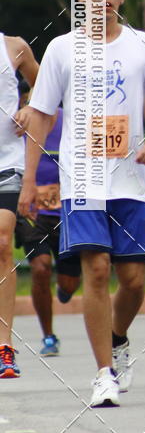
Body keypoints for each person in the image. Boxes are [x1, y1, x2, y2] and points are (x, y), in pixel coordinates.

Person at [19, 0, 145, 406]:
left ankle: (118, 338)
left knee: (133, 280)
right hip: (82, 178)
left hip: (129, 180)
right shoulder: (61, 50)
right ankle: (103, 373)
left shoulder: (142, 45)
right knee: (97, 268)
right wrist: (30, 182)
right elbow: (42, 118)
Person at [14, 107, 82, 356]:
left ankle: (64, 290)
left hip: (69, 211)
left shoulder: (73, 118)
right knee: (40, 268)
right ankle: (49, 336)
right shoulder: (17, 123)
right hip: (32, 213)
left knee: (69, 285)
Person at [0, 33, 39, 378]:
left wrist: (28, 107)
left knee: (2, 241)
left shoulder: (14, 47)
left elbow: (45, 86)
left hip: (8, 162)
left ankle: (4, 346)